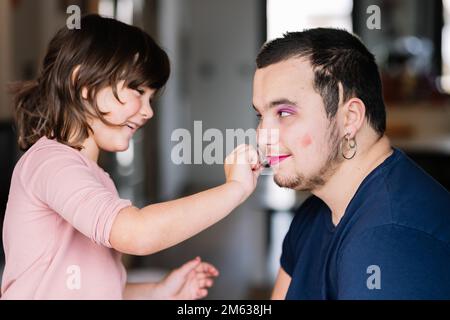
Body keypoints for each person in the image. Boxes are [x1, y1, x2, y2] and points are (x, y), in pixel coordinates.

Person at [1, 14, 262, 300]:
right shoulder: (51, 163)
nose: (148, 111)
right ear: (82, 85)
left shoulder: (92, 176)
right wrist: (233, 190)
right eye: (137, 91)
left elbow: (96, 291)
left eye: (151, 98)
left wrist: (158, 292)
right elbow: (137, 233)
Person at [252, 28, 450, 299]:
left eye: (284, 112)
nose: (263, 136)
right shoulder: (314, 213)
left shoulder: (387, 244)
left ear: (350, 118)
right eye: (261, 116)